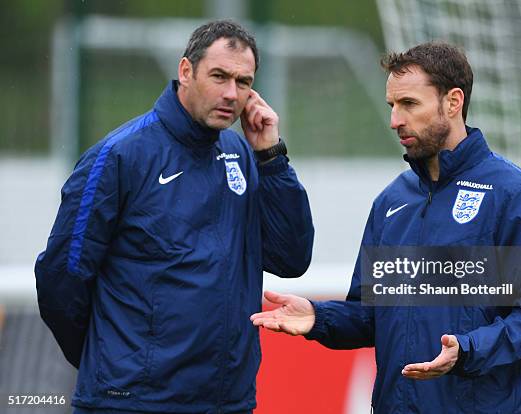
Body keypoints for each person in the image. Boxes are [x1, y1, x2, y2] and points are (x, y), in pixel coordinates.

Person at [251, 42, 521, 413]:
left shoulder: (512, 194)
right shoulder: (391, 201)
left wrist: (466, 350)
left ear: (453, 102)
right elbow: (369, 315)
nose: (395, 120)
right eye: (392, 106)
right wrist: (319, 318)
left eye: (409, 104)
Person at [35, 20, 314, 413]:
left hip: (227, 402)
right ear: (186, 71)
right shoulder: (120, 156)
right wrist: (115, 361)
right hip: (131, 403)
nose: (231, 94)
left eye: (244, 82)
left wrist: (271, 158)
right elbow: (60, 280)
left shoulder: (241, 154)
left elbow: (291, 256)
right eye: (219, 76)